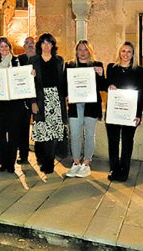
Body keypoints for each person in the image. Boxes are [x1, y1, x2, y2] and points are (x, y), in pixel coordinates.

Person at [105, 41, 143, 182]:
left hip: (130, 112)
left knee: (127, 142)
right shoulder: (111, 68)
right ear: (119, 53)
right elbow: (105, 84)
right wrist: (109, 84)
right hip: (114, 111)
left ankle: (124, 172)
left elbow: (141, 93)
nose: (126, 54)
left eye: (129, 51)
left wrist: (139, 114)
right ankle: (114, 169)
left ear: (133, 54)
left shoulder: (138, 70)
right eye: (123, 51)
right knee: (113, 142)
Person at [65, 40, 105, 178]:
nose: (82, 53)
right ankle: (76, 162)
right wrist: (67, 96)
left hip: (91, 106)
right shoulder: (69, 65)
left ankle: (86, 163)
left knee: (89, 135)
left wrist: (100, 75)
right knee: (75, 135)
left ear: (90, 51)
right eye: (80, 49)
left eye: (85, 50)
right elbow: (64, 85)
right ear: (76, 51)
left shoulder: (97, 65)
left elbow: (103, 87)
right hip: (75, 106)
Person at [0, 37, 28, 173]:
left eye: (6, 46)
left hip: (15, 105)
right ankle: (2, 161)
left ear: (9, 47)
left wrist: (31, 74)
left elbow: (25, 77)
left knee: (13, 134)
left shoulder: (19, 61)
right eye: (1, 47)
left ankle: (10, 163)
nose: (4, 49)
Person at [29, 33, 67, 174]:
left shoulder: (59, 61)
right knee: (41, 133)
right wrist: (33, 101)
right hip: (39, 99)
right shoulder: (33, 61)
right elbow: (29, 84)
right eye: (43, 43)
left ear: (52, 45)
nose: (46, 46)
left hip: (55, 99)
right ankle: (41, 158)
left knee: (53, 133)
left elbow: (62, 81)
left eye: (49, 43)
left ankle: (49, 163)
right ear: (40, 45)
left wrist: (66, 97)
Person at [16, 36, 37, 164]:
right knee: (23, 127)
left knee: (39, 126)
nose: (30, 45)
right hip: (22, 99)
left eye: (32, 43)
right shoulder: (19, 59)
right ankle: (23, 155)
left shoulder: (40, 59)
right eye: (27, 43)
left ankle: (41, 154)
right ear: (23, 46)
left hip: (38, 98)